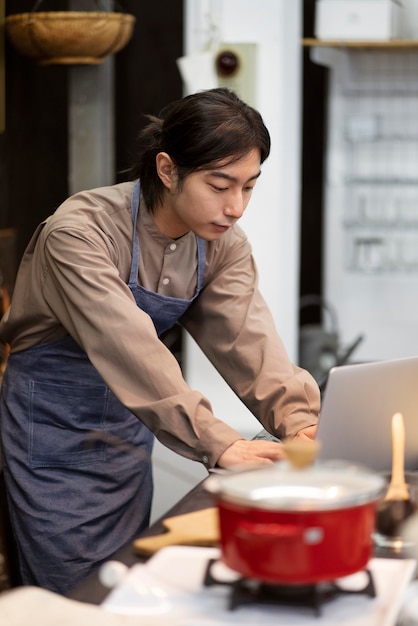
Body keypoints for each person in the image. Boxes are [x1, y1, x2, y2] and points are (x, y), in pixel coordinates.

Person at [0, 88, 320, 594]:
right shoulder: (79, 233)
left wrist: (303, 425)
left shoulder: (221, 246)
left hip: (130, 431)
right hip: (54, 433)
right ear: (167, 170)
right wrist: (220, 442)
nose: (235, 207)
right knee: (72, 599)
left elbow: (250, 341)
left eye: (249, 187)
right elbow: (127, 345)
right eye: (220, 185)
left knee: (126, 585)